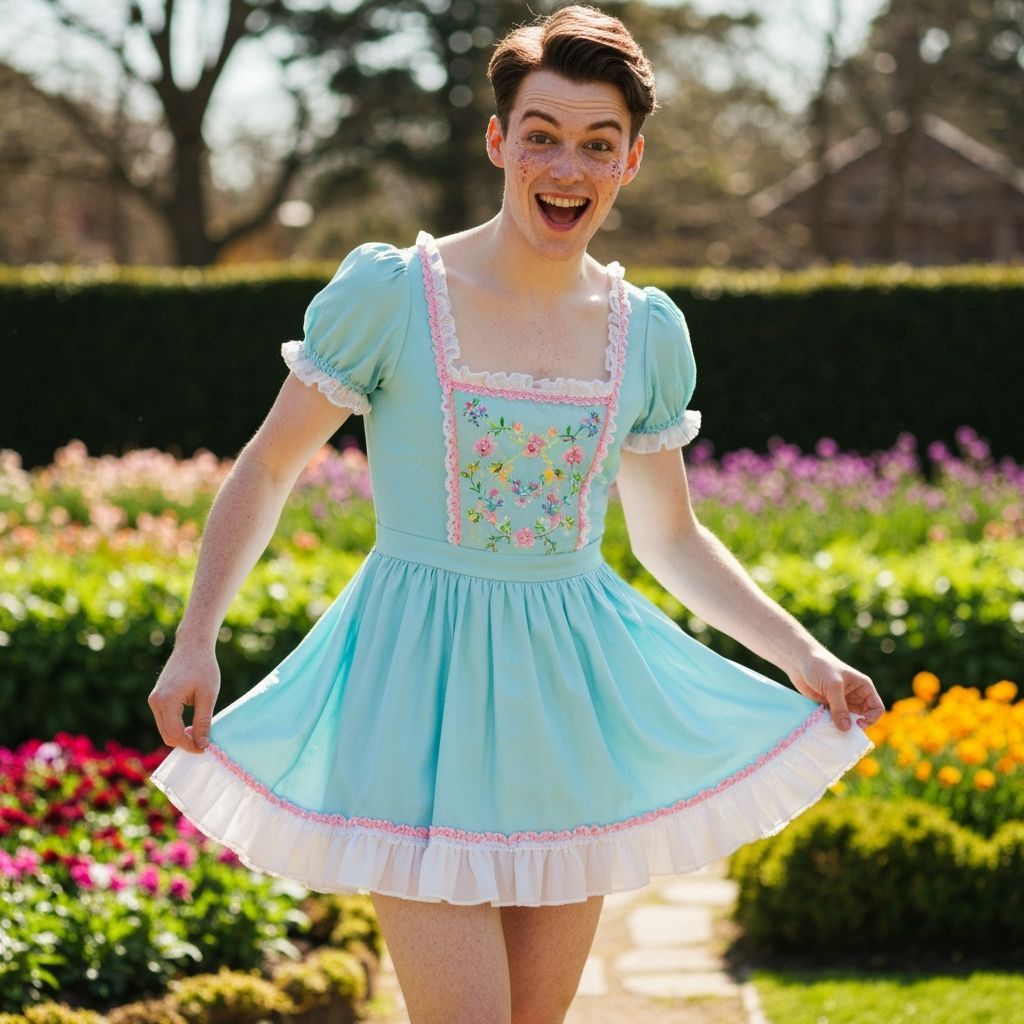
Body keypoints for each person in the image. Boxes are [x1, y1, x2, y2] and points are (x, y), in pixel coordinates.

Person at [148, 6, 885, 1022]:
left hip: (564, 713)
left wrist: (802, 656)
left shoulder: (647, 334)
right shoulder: (392, 294)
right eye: (540, 134)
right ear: (500, 141)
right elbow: (269, 467)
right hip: (413, 698)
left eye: (597, 143)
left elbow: (669, 536)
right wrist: (196, 640)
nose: (565, 166)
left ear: (630, 162)